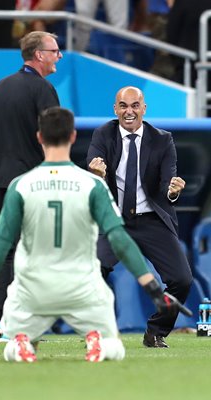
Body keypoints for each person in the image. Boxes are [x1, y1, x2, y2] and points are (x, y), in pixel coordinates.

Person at [0, 107, 191, 362]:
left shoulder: (21, 185)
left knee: (12, 345)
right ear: (73, 137)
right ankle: (95, 336)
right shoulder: (91, 185)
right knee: (114, 349)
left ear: (39, 137)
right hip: (81, 289)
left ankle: (22, 339)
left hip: (33, 289)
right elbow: (120, 239)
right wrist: (153, 290)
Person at [87, 86, 193, 348]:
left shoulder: (162, 139)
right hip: (114, 220)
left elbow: (168, 182)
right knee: (91, 271)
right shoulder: (103, 133)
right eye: (123, 106)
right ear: (115, 109)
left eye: (135, 105)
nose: (129, 111)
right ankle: (97, 331)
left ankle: (155, 332)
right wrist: (96, 174)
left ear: (144, 109)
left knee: (181, 280)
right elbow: (92, 170)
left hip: (152, 220)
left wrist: (172, 191)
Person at [0, 30, 62, 341]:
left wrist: (2, 171)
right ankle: (17, 318)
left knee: (13, 249)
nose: (60, 55)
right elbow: (53, 141)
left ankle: (0, 319)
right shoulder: (44, 89)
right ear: (39, 55)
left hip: (0, 180)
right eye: (55, 50)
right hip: (34, 182)